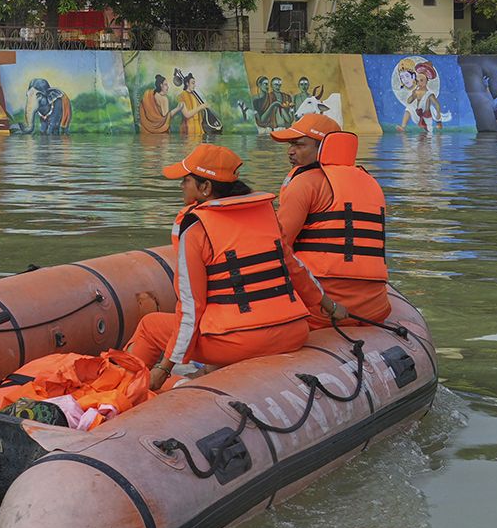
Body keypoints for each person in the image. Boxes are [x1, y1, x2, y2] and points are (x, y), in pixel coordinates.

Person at [126, 144, 344, 391]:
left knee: (150, 325)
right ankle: (206, 374)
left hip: (241, 341)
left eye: (185, 180)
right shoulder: (266, 215)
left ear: (205, 188)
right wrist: (331, 306)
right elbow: (295, 268)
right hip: (292, 333)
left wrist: (164, 368)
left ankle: (125, 390)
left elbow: (190, 309)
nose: (181, 186)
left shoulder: (195, 230)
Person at [272, 115, 391, 329]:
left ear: (323, 147)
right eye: (291, 145)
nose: (290, 151)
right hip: (375, 309)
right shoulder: (371, 182)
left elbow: (277, 250)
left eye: (299, 145)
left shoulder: (304, 184)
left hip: (321, 311)